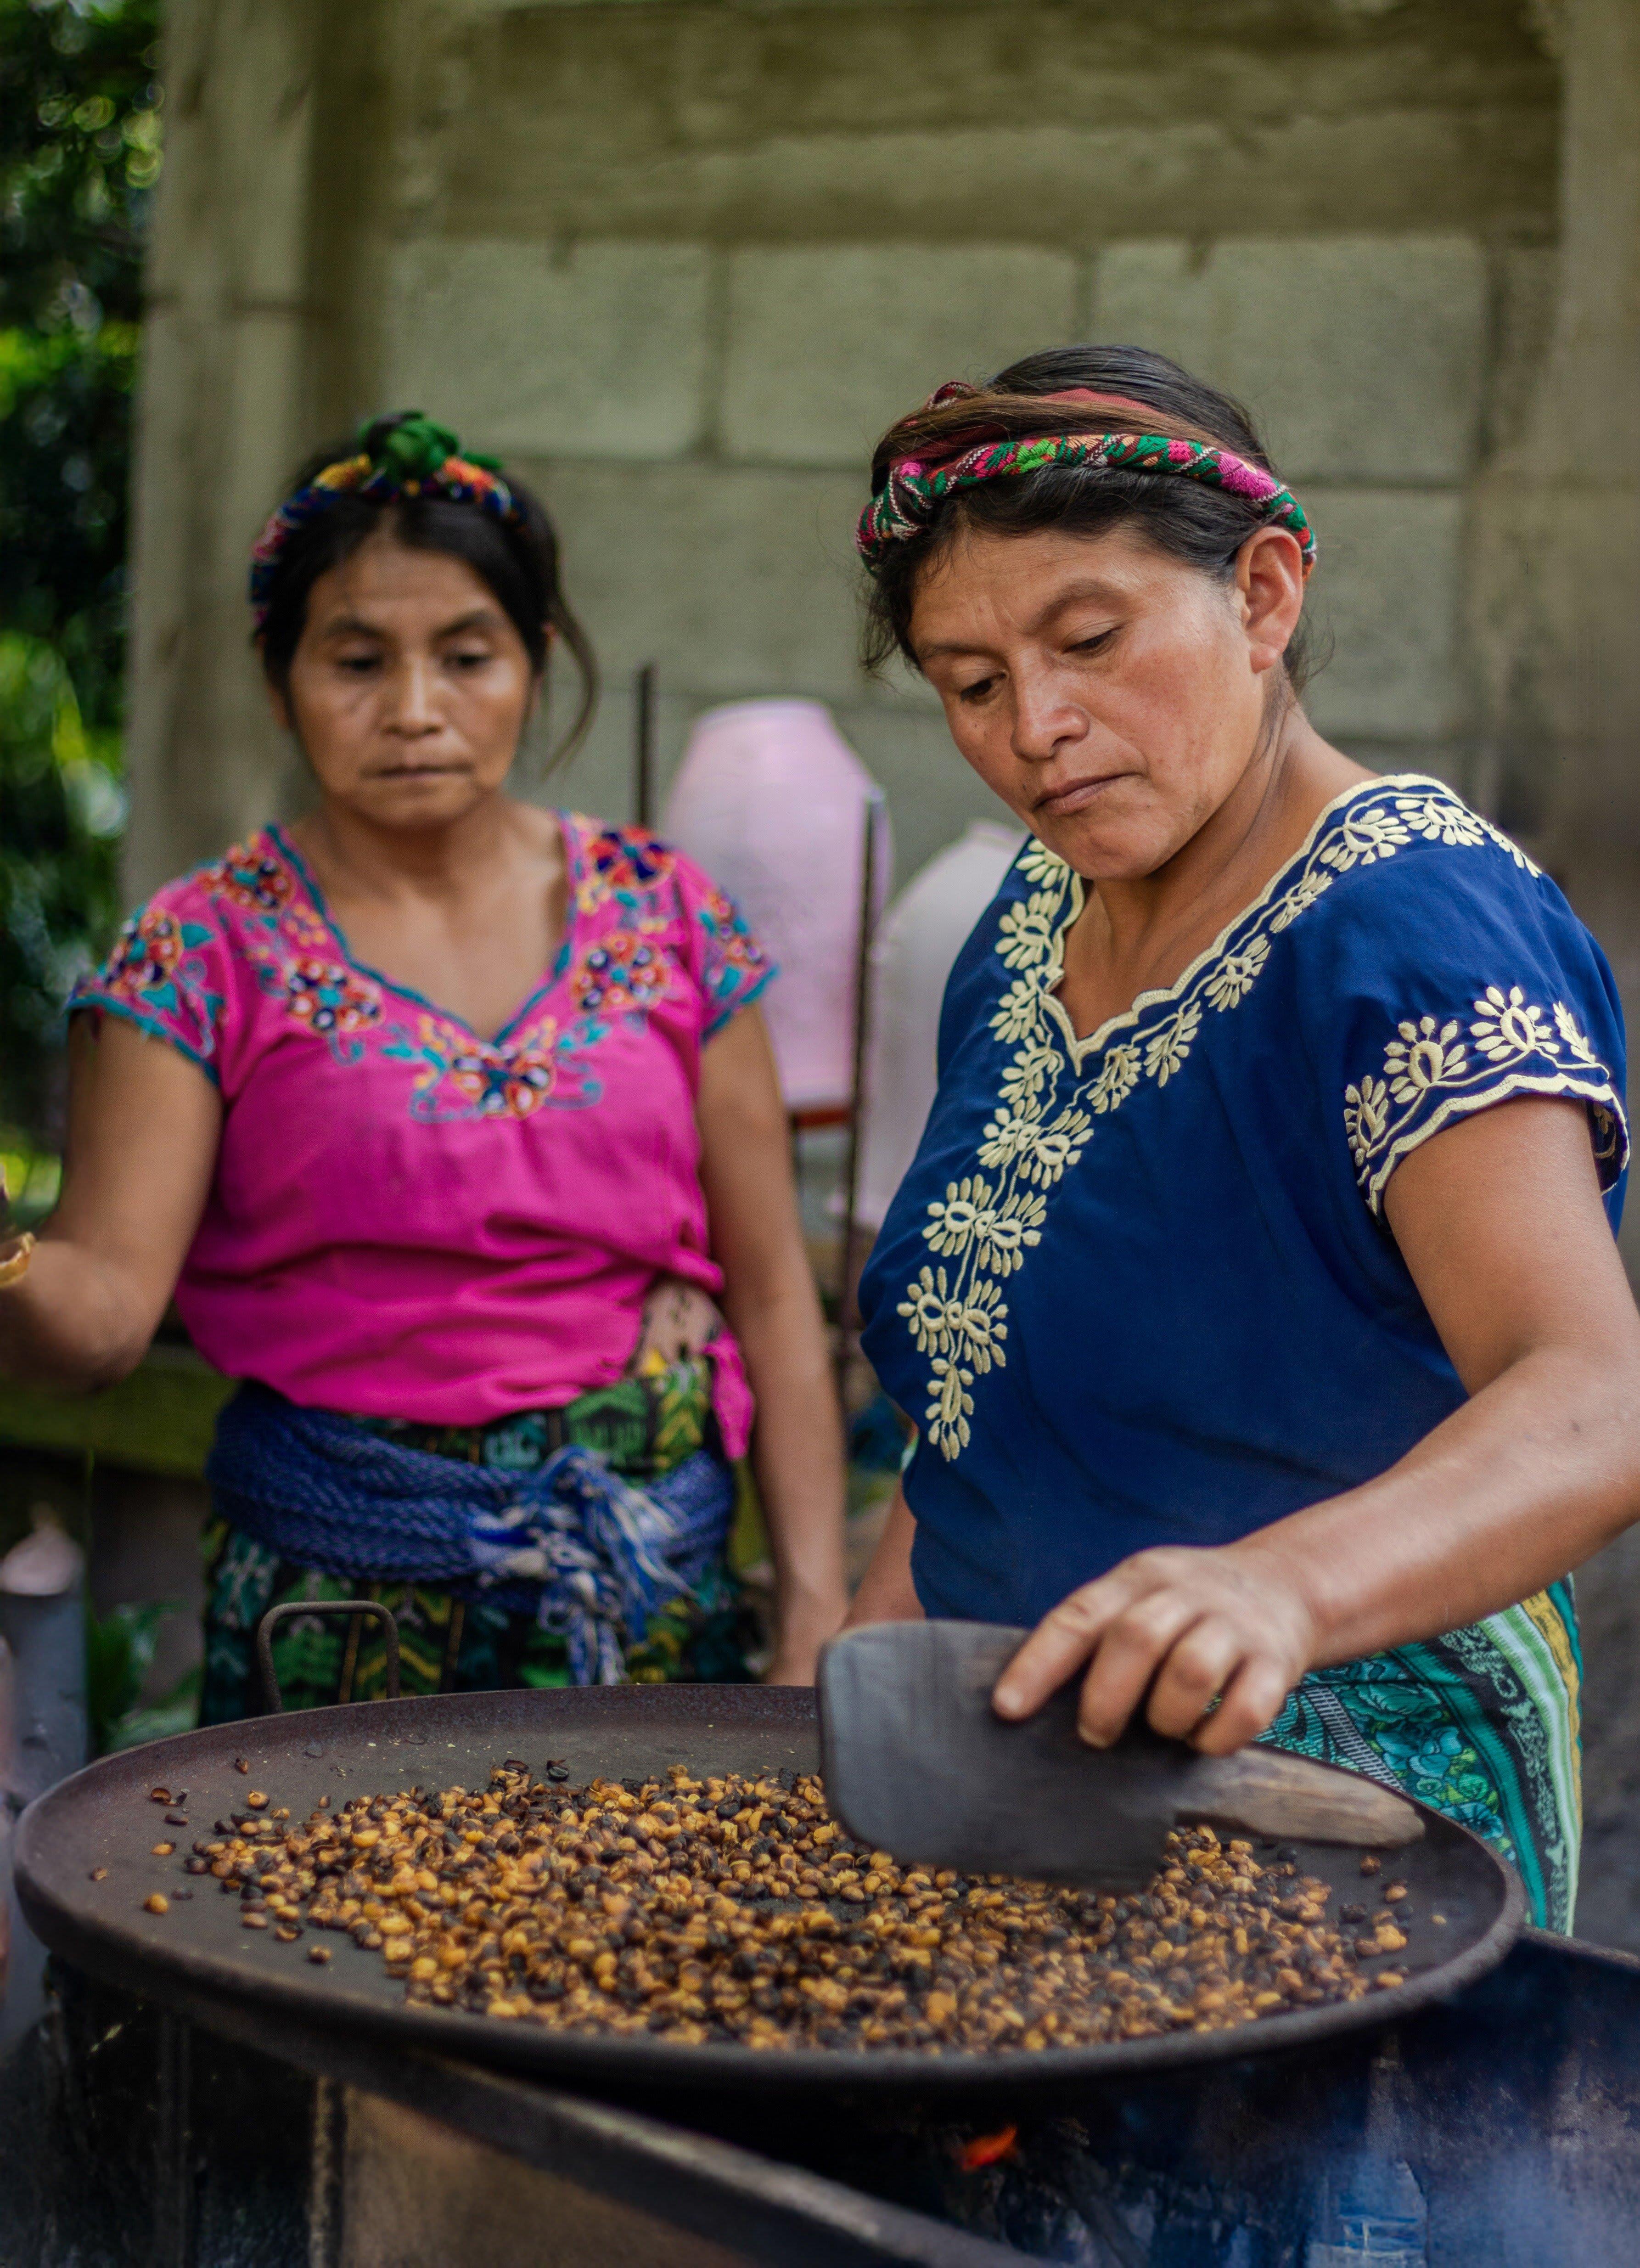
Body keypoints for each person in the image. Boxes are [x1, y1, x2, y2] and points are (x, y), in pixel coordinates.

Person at [848, 349, 1640, 1931]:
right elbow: (971, 1409)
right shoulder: (1028, 926)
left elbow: (1591, 1397)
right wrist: (855, 1722)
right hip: (1012, 1778)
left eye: (1089, 640)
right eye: (971, 682)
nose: (1038, 730)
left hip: (1345, 1813)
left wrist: (1272, 1587)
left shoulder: (1407, 929)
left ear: (1265, 596)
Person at [0, 412, 848, 1712]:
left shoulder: (667, 914)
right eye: (355, 659)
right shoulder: (202, 949)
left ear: (536, 660)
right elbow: (105, 1317)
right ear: (277, 680)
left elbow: (776, 1294)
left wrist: (810, 1618)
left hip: (650, 1604)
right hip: (334, 1620)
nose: (414, 711)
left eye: (466, 655)